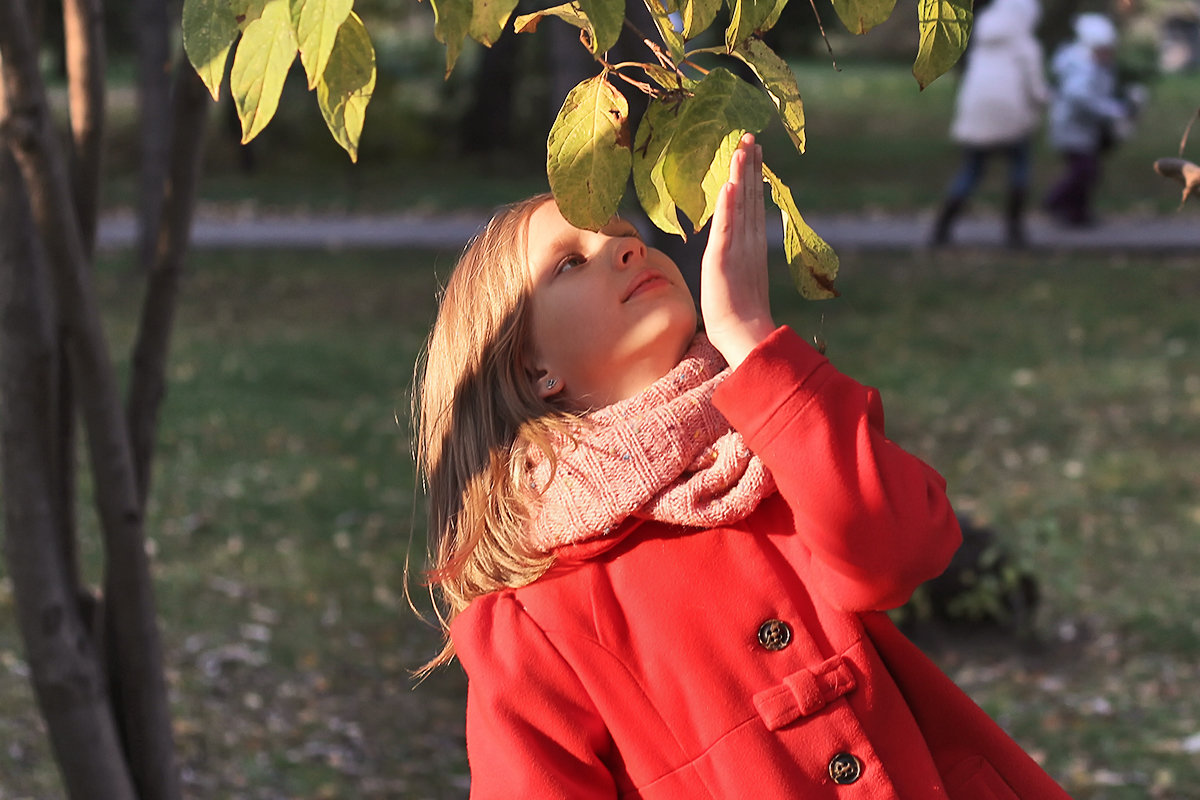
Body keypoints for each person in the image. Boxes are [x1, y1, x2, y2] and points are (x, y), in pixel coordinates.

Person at [414, 134, 1073, 798]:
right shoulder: (535, 625)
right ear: (533, 370)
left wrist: (752, 338)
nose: (625, 247)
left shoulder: (783, 445)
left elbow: (906, 549)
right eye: (567, 264)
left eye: (624, 234)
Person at [931, 0, 1049, 248]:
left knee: (971, 170)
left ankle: (942, 226)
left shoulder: (981, 45)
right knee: (1019, 167)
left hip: (976, 115)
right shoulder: (1026, 46)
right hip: (1012, 116)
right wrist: (1048, 100)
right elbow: (1036, 91)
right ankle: (1014, 231)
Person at [1043, 13, 1129, 227]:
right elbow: (1080, 98)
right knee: (1085, 170)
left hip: (1084, 130)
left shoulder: (1098, 67)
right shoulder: (1081, 68)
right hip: (1072, 129)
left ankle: (1077, 214)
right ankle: (1055, 201)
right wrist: (1110, 110)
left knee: (1088, 173)